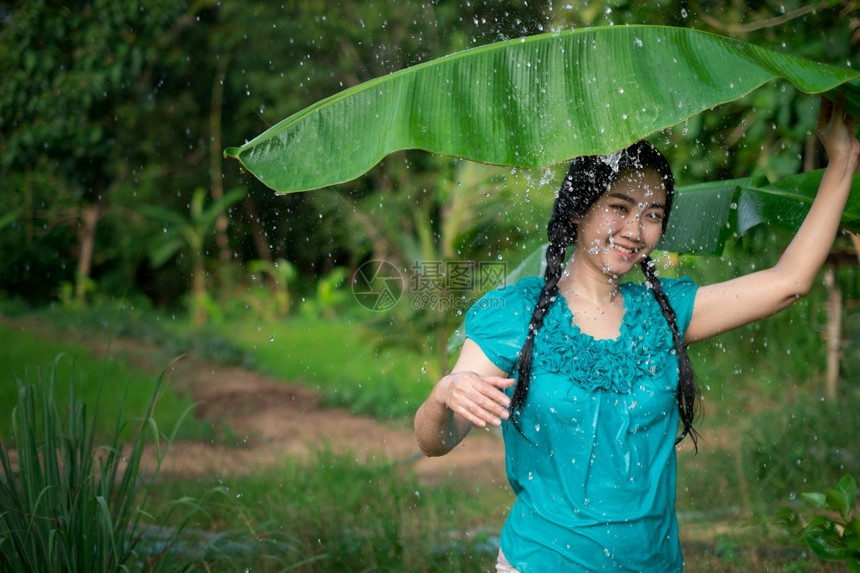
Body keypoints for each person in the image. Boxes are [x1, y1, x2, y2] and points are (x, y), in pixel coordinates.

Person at [413, 95, 858, 572]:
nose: (634, 230)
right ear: (579, 210)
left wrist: (843, 162)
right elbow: (435, 441)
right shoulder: (515, 314)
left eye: (652, 214)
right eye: (619, 207)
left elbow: (788, 283)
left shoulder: (665, 314)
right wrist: (444, 395)